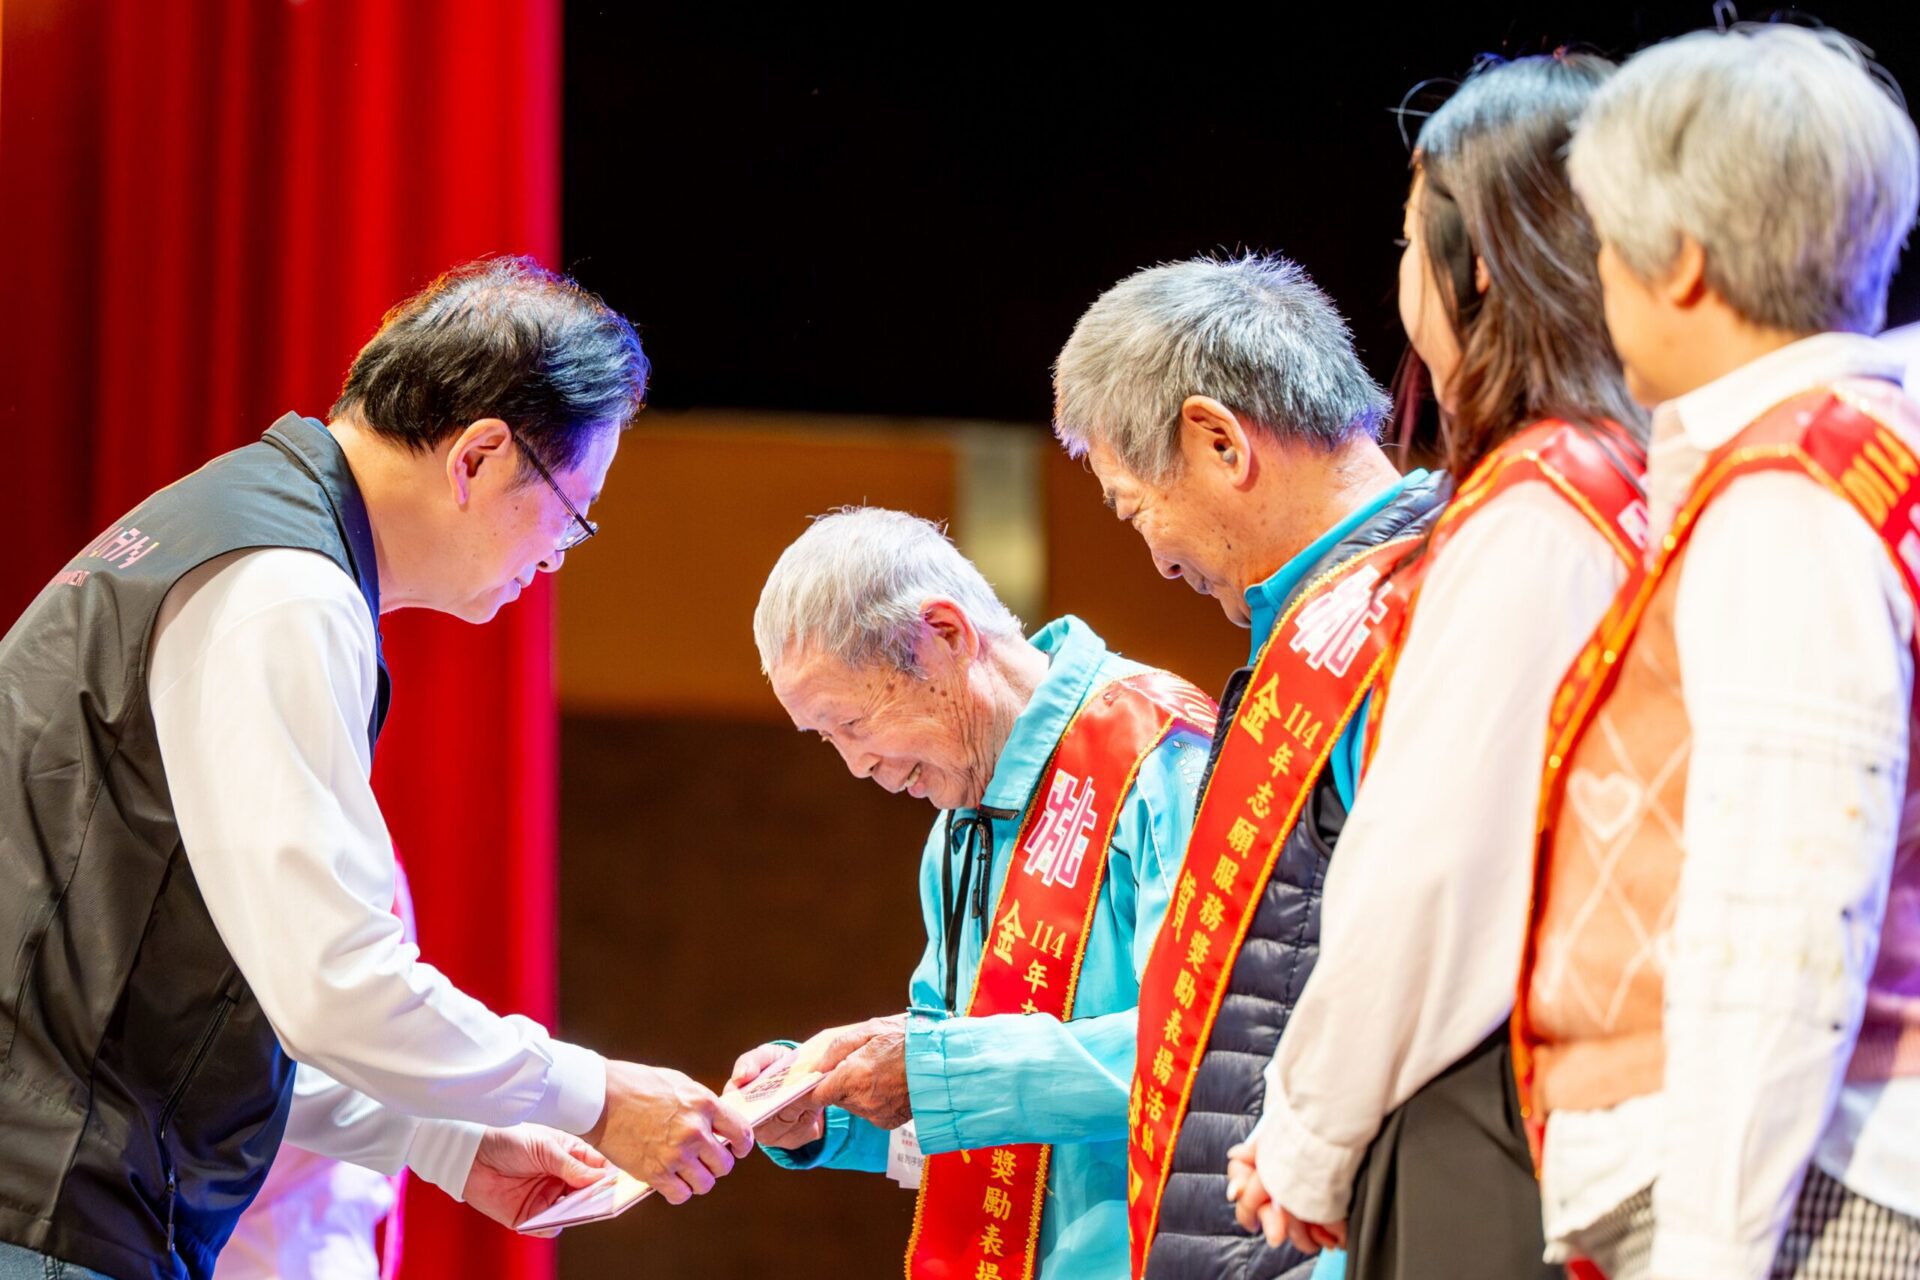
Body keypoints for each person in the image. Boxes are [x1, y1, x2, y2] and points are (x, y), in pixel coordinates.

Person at [0, 258, 751, 1280]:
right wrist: (598, 1095)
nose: (555, 559)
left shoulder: (226, 529)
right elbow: (333, 983)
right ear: (478, 457)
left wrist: (450, 1141)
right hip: (45, 1205)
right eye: (574, 516)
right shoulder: (286, 588)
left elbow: (189, 990)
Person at [1228, 54, 1649, 1280]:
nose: (1402, 271)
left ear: (1483, 265)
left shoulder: (1540, 507)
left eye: (1411, 239)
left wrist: (1308, 1132)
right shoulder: (1640, 481)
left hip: (1491, 1106)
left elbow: (1433, 866)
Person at [1514, 24, 1920, 1279]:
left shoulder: (1791, 496)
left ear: (1680, 260)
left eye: (1603, 239)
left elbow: (1782, 905)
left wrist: (1708, 1245)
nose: (1596, 275)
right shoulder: (1854, 450)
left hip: (1809, 1185)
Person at [1052, 254, 1448, 1280]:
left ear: (1219, 442)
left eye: (1135, 507)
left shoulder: (1430, 600)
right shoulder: (1321, 622)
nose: (1157, 560)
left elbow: (1419, 951)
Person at [730, 507, 1215, 1279]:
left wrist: (932, 1071)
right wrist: (828, 1109)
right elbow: (982, 1122)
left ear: (944, 635)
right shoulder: (957, 831)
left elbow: (1213, 1052)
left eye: (852, 721)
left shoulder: (1161, 753)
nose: (857, 766)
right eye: (827, 739)